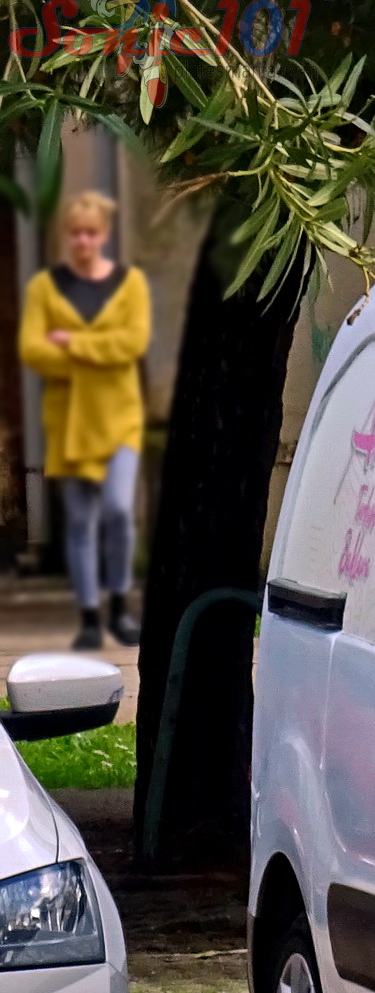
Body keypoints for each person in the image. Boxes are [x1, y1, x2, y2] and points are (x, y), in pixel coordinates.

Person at [19, 191, 150, 650]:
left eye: (90, 233)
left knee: (117, 511)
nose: (82, 240)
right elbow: (33, 350)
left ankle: (119, 605)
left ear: (104, 235)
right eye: (74, 233)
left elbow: (131, 344)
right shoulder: (45, 289)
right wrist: (98, 348)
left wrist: (72, 344)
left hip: (118, 420)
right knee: (80, 521)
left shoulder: (129, 284)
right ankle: (91, 614)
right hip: (70, 423)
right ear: (65, 237)